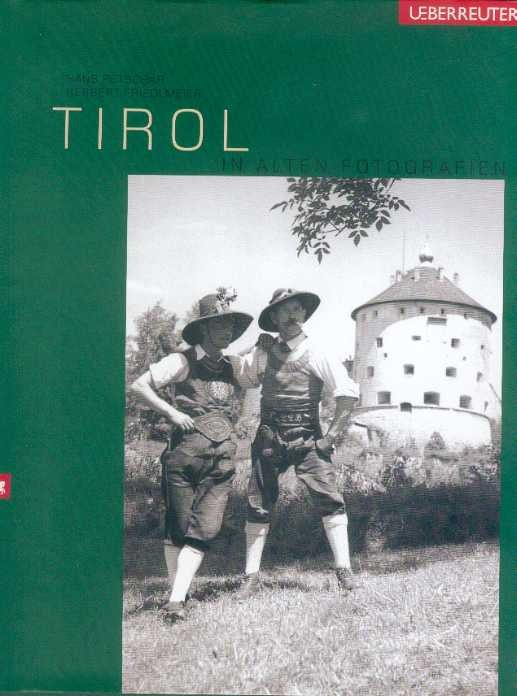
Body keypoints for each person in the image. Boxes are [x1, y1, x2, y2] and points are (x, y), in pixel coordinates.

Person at [130, 289, 253, 622]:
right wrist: (172, 412)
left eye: (231, 326)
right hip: (183, 456)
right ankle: (178, 597)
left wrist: (266, 348)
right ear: (203, 329)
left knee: (206, 527)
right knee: (179, 527)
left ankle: (175, 600)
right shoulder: (182, 361)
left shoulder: (234, 364)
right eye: (220, 325)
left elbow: (257, 377)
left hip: (222, 459)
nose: (227, 331)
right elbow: (139, 386)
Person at [236, 288, 359, 593]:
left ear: (304, 314)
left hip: (308, 438)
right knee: (258, 501)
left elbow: (347, 393)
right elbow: (243, 378)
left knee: (329, 497)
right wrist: (254, 347)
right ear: (274, 317)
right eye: (284, 310)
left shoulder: (317, 351)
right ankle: (250, 577)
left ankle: (344, 572)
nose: (292, 315)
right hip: (269, 437)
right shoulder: (263, 352)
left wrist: (331, 437)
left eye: (297, 309)